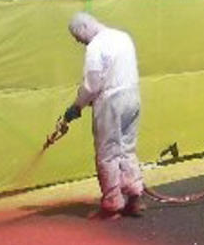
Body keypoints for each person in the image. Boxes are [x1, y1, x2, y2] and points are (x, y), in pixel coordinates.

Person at [55, 12, 145, 219]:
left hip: (111, 102)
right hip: (132, 96)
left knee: (107, 153)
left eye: (78, 37)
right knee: (127, 148)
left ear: (83, 28)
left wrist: (77, 106)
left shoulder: (96, 47)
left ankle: (112, 204)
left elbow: (92, 85)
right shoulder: (123, 36)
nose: (80, 42)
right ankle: (134, 195)